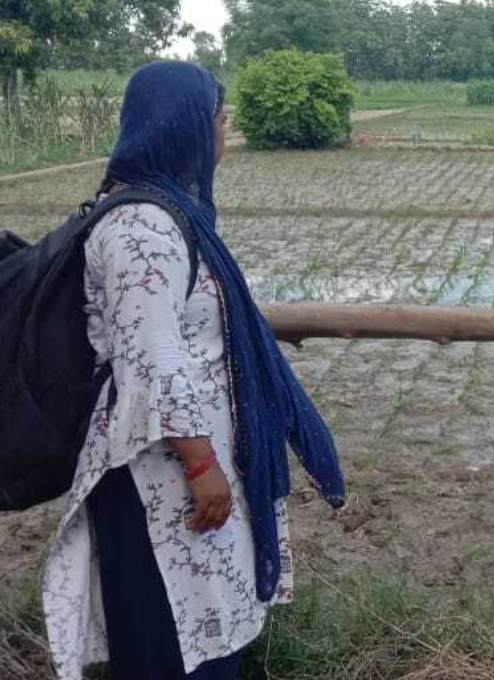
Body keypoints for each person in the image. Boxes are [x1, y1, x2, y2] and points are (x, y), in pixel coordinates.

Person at [42, 62, 346, 680]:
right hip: (159, 471)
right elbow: (153, 358)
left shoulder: (178, 215)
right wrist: (203, 465)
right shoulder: (139, 228)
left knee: (207, 628)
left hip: (193, 463)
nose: (225, 130)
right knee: (166, 636)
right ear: (184, 127)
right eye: (218, 118)